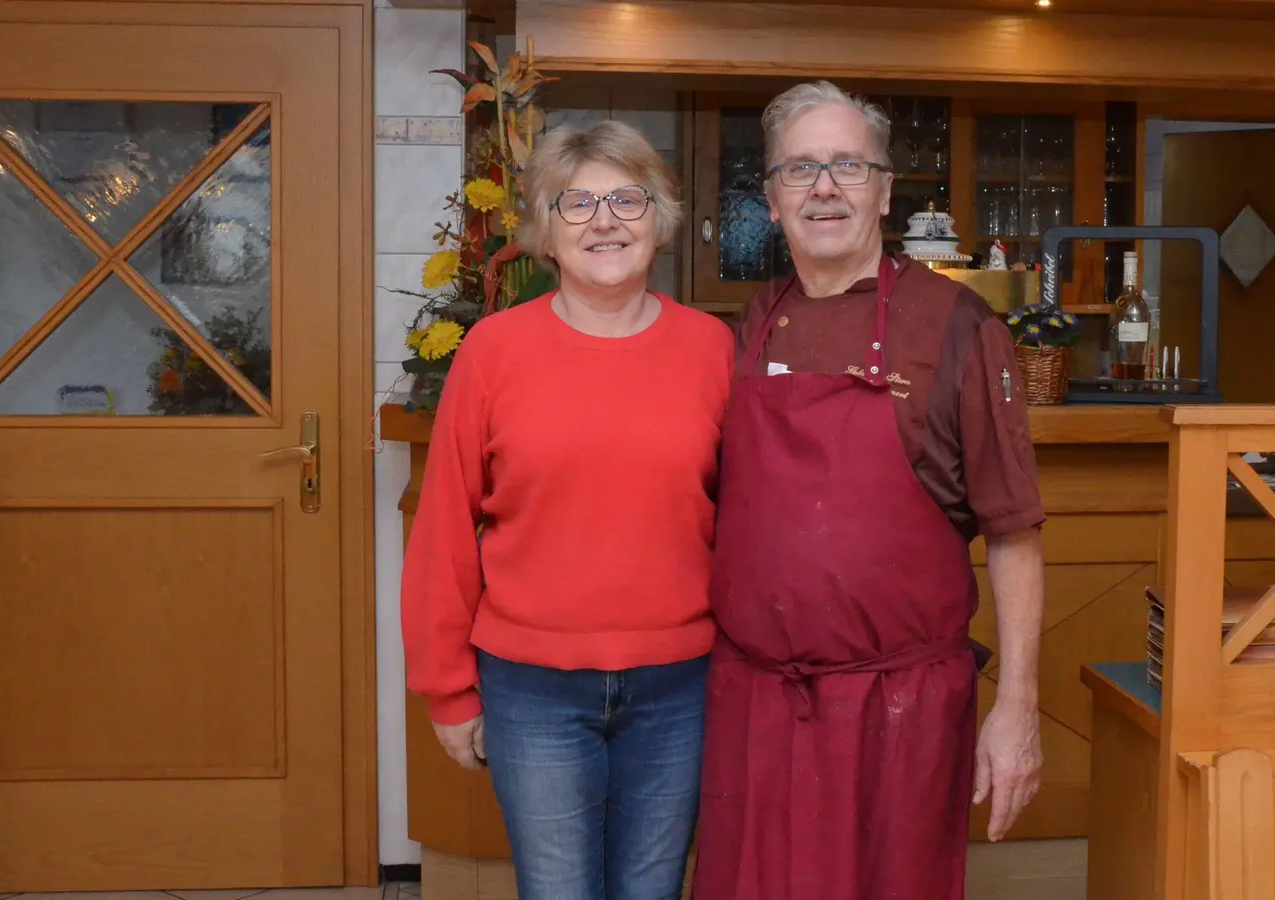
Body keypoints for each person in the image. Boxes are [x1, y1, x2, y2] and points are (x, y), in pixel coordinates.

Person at [690, 82, 1049, 900]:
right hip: (752, 707)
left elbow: (1014, 533)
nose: (825, 187)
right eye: (801, 169)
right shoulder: (749, 325)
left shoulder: (958, 326)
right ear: (772, 200)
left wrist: (1018, 710)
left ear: (885, 190)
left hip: (901, 712)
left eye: (849, 165)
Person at [401, 120, 735, 900]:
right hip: (532, 689)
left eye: (627, 197)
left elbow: (748, 519)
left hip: (680, 684)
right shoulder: (492, 350)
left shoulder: (714, 349)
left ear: (661, 219)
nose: (605, 220)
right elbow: (445, 526)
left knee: (652, 891)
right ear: (544, 233)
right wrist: (448, 689)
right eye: (576, 203)